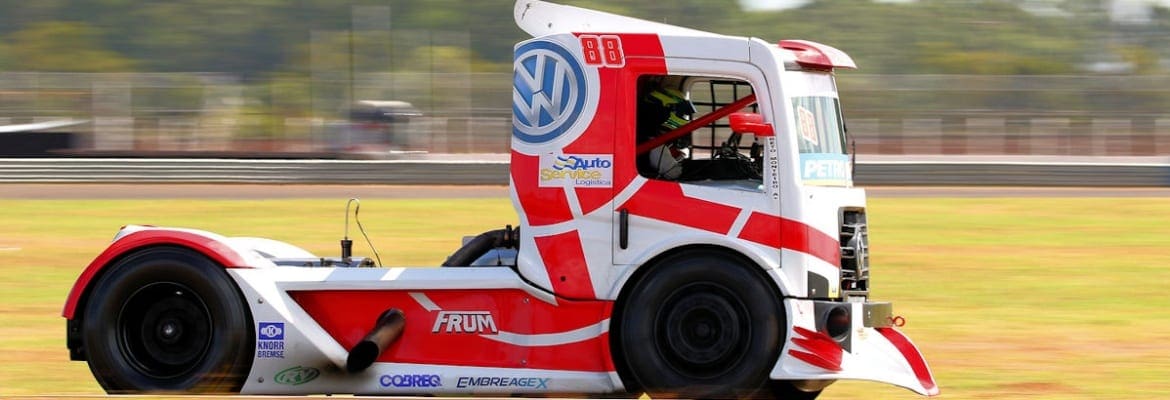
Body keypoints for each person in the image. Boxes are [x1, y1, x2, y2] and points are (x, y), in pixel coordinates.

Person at [636, 84, 696, 180]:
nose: (685, 117)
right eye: (683, 112)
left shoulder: (645, 134)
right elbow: (674, 173)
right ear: (668, 111)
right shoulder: (654, 144)